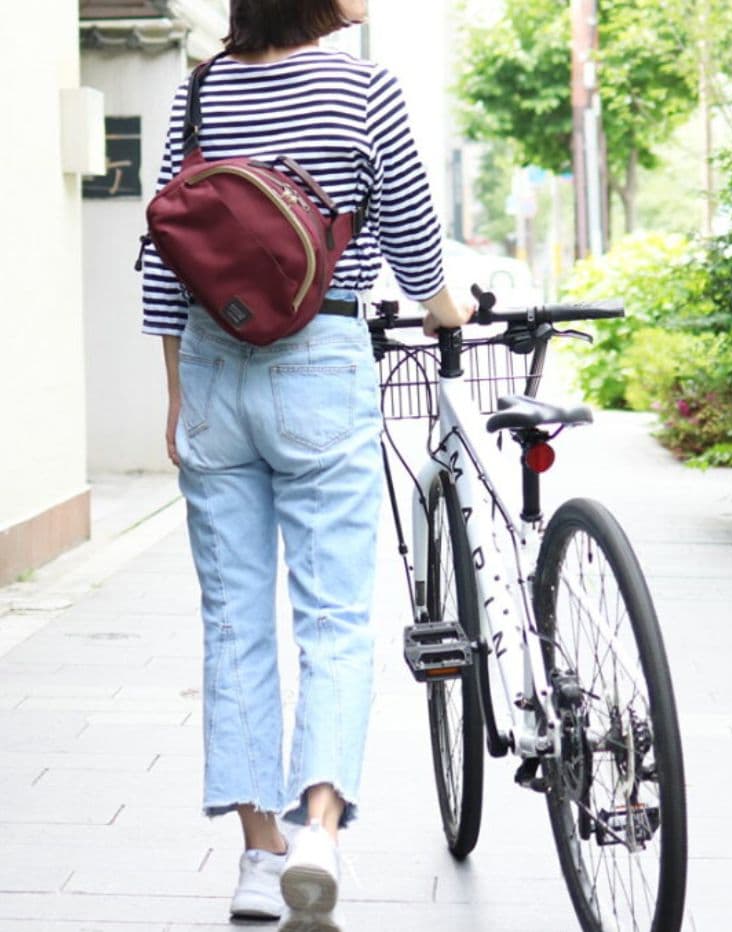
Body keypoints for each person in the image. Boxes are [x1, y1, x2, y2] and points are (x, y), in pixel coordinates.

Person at [141, 2, 472, 929]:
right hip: (320, 362)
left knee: (233, 622)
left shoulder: (201, 88)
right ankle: (319, 829)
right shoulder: (364, 87)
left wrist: (177, 391)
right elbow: (412, 241)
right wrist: (448, 315)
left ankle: (257, 858)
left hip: (211, 364)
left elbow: (165, 253)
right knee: (332, 614)